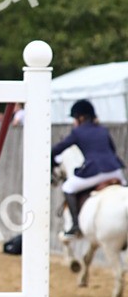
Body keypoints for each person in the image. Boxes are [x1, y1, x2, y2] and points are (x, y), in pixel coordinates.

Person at [51, 99, 126, 235]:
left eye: (74, 118)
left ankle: (75, 225)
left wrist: (51, 160)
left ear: (81, 117)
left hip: (96, 172)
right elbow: (113, 150)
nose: (74, 122)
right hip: (116, 170)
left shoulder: (77, 132)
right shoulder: (103, 130)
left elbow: (58, 149)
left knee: (67, 187)